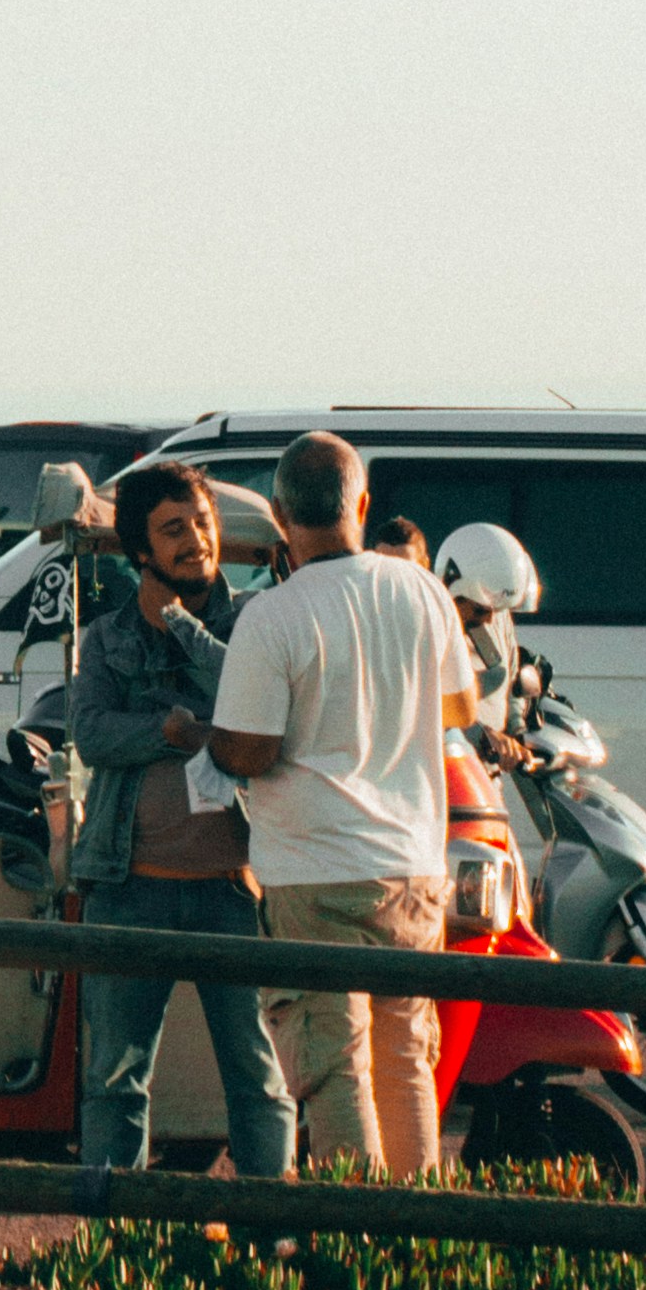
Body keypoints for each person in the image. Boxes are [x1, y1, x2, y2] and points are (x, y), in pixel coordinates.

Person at [208, 426, 475, 1179]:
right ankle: (417, 1241)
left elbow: (251, 751)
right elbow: (460, 708)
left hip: (312, 870)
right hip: (413, 869)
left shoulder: (273, 616)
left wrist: (212, 738)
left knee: (335, 1072)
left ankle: (356, 1248)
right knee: (406, 1064)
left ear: (278, 514)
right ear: (362, 502)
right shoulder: (423, 591)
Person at [60, 464, 295, 1193]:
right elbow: (91, 734)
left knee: (257, 1077)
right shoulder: (104, 638)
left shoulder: (256, 622)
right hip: (128, 888)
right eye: (174, 530)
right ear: (140, 551)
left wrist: (185, 630)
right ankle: (113, 1251)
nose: (197, 539)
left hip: (234, 890)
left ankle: (272, 1240)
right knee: (115, 1080)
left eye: (201, 521)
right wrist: (170, 730)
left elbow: (253, 700)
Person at [436, 515, 539, 730]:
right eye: (480, 610)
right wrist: (484, 737)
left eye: (498, 611)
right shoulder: (428, 632)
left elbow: (512, 683)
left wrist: (516, 727)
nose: (490, 619)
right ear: (452, 588)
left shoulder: (496, 612)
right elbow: (429, 709)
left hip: (490, 762)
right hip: (451, 759)